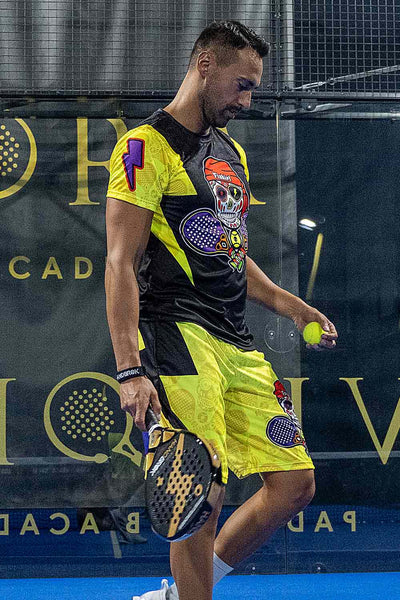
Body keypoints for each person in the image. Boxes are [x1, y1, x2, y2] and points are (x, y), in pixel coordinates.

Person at [105, 20, 337, 600]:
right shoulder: (143, 148)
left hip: (236, 341)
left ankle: (176, 594)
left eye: (253, 88)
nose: (247, 100)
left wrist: (293, 307)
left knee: (295, 484)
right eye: (242, 85)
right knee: (199, 495)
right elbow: (120, 262)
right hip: (179, 338)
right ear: (205, 65)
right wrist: (130, 369)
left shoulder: (230, 153)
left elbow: (232, 252)